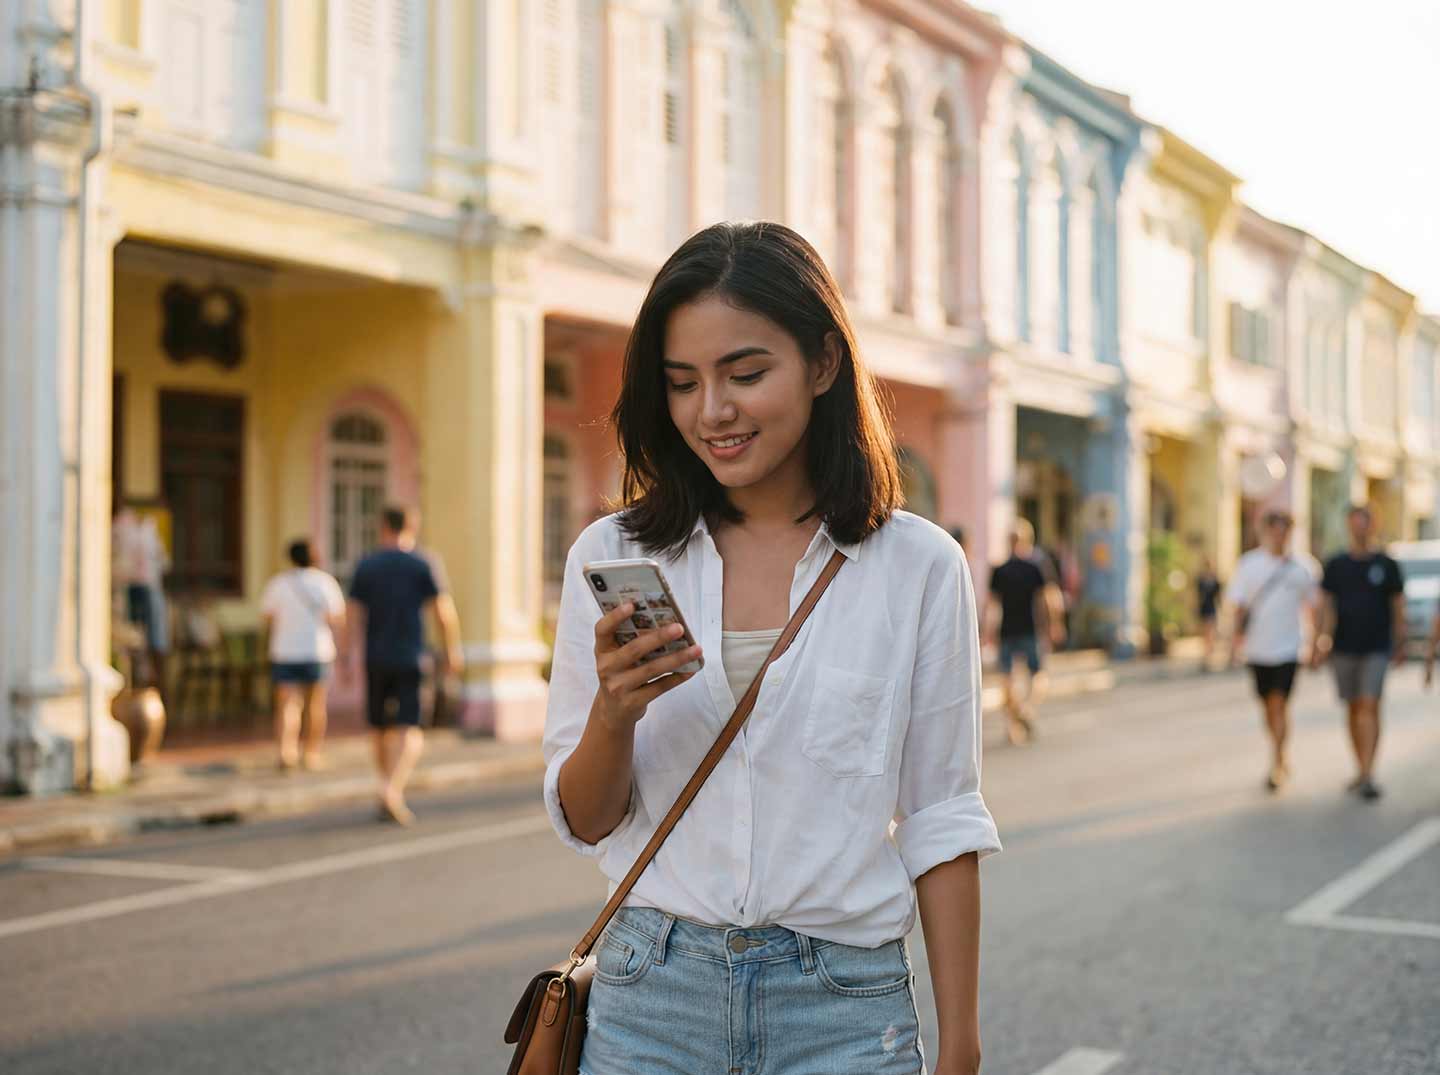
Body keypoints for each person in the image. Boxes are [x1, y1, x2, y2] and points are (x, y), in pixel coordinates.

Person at [544, 222, 999, 1075]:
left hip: (845, 1012)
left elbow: (941, 816)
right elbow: (587, 817)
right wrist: (613, 713)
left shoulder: (916, 566)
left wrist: (962, 1047)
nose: (712, 410)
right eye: (683, 383)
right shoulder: (616, 557)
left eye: (745, 373)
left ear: (824, 363)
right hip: (652, 1000)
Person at [347, 506, 463, 825]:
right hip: (412, 656)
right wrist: (452, 651)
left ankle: (386, 786)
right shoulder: (423, 563)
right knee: (409, 726)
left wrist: (346, 654)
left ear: (382, 526)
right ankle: (392, 788)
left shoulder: (366, 565)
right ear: (413, 526)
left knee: (378, 726)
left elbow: (353, 613)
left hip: (375, 656)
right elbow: (442, 611)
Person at [1313, 505, 1406, 801]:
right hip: (1344, 647)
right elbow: (1326, 606)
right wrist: (1320, 640)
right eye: (1354, 524)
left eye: (1364, 523)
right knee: (1354, 708)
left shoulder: (1387, 565)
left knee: (1369, 705)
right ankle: (1360, 766)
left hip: (1377, 646)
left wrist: (1400, 641)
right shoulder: (1337, 565)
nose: (1359, 529)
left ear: (1372, 525)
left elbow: (1397, 606)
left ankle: (1368, 772)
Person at [1224, 512, 1319, 792]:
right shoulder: (1249, 565)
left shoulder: (1303, 567)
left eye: (1284, 531)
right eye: (1274, 531)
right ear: (1264, 532)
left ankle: (1277, 760)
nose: (1279, 537)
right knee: (1267, 706)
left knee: (1279, 702)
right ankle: (1278, 749)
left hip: (1289, 648)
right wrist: (1233, 642)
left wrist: (1316, 643)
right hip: (1257, 649)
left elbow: (1314, 607)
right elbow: (1238, 607)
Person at [260, 538, 347, 771]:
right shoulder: (325, 583)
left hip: (285, 651)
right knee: (315, 705)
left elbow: (267, 616)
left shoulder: (279, 583)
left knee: (287, 705)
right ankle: (311, 753)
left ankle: (285, 752)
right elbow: (337, 617)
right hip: (317, 651)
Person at [984, 519, 1065, 746]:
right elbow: (1051, 598)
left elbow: (991, 605)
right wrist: (1055, 625)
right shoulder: (1036, 567)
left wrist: (987, 633)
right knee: (1038, 674)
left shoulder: (999, 570)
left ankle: (1013, 727)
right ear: (1028, 541)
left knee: (1006, 679)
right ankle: (1026, 709)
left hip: (1007, 630)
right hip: (1031, 629)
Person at [111, 502, 171, 698]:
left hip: (145, 586)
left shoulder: (148, 531)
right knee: (131, 642)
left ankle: (153, 685)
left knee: (153, 638)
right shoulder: (121, 529)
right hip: (126, 587)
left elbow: (163, 561)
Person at [1194, 556, 1222, 670]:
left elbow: (1218, 596)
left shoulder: (1215, 580)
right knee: (1205, 633)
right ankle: (1206, 655)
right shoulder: (1200, 579)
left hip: (1212, 607)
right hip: (1204, 608)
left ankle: (1209, 654)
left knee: (1210, 632)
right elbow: (1197, 596)